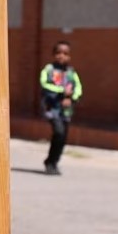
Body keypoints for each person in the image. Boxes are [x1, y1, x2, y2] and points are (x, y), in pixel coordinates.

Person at [39, 40, 82, 175]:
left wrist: (72, 98)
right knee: (58, 132)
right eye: (58, 53)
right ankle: (50, 161)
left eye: (65, 53)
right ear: (53, 54)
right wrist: (61, 91)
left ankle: (53, 162)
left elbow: (78, 88)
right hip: (52, 109)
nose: (61, 56)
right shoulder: (49, 70)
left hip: (66, 110)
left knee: (63, 137)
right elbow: (44, 84)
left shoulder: (71, 72)